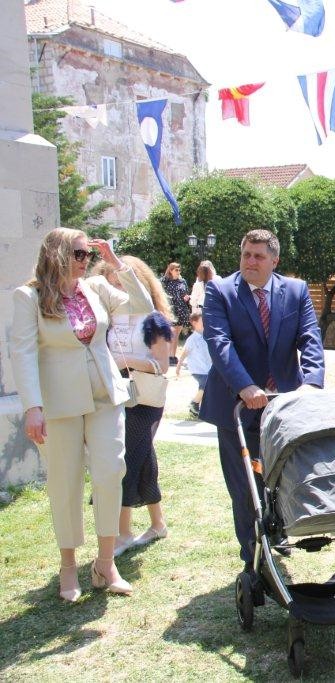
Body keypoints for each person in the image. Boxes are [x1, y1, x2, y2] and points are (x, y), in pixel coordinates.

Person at [10, 229, 149, 600]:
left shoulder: (96, 287)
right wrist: (33, 407)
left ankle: (105, 563)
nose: (85, 260)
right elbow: (23, 353)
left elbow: (143, 305)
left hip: (105, 395)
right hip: (59, 403)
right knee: (65, 481)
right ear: (57, 254)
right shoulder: (29, 297)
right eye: (78, 253)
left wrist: (116, 263)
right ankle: (68, 564)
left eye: (88, 254)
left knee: (110, 471)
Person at [199, 229, 325, 571]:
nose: (250, 262)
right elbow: (219, 344)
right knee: (245, 487)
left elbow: (310, 337)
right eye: (246, 255)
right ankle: (253, 558)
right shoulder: (221, 291)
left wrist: (312, 383)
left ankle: (277, 533)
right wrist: (245, 386)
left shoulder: (295, 291)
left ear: (274, 261)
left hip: (283, 405)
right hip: (237, 406)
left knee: (282, 477)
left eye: (258, 256)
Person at [92, 256, 175, 557]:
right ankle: (158, 524)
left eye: (122, 281)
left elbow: (162, 366)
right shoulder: (105, 320)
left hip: (144, 398)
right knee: (143, 458)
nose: (116, 287)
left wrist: (123, 362)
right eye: (110, 281)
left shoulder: (153, 319)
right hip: (113, 396)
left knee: (125, 461)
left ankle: (123, 533)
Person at [177, 311, 212, 420]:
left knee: (207, 387)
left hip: (207, 368)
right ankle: (194, 403)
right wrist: (178, 366)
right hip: (197, 369)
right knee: (205, 384)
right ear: (194, 323)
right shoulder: (192, 339)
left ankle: (199, 409)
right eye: (202, 320)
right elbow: (184, 353)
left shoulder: (207, 336)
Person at [159, 262, 190, 365]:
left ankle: (172, 356)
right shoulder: (165, 281)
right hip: (170, 310)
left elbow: (185, 294)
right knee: (170, 334)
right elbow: (159, 293)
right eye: (176, 270)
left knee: (176, 335)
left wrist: (186, 297)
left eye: (179, 270)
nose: (178, 272)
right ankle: (167, 356)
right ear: (171, 270)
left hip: (181, 310)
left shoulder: (182, 281)